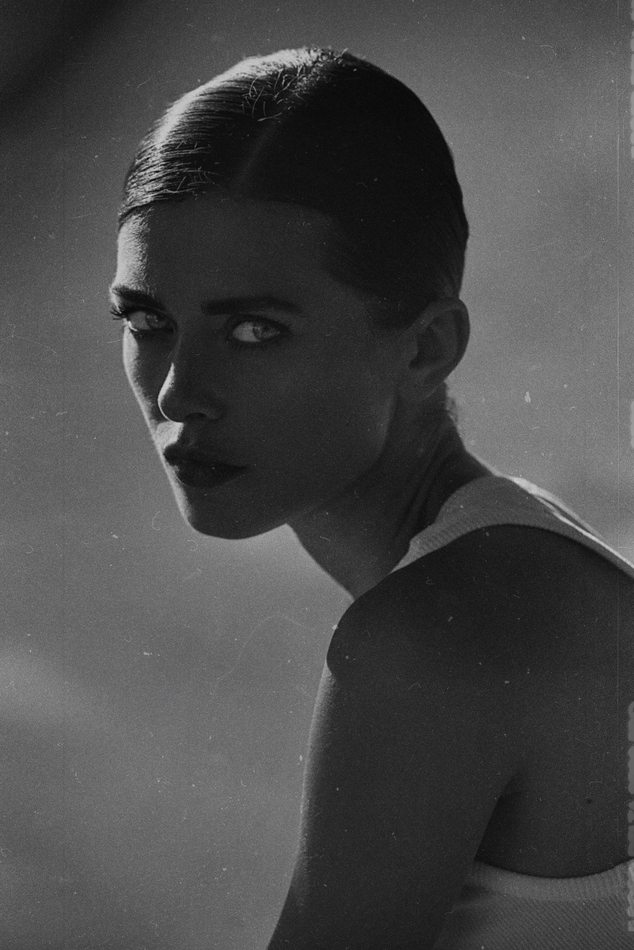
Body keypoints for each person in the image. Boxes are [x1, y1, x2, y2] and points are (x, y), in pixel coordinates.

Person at [110, 47, 634, 949]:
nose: (178, 392)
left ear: (427, 348)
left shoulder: (437, 635)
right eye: (147, 320)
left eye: (255, 329)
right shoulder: (529, 556)